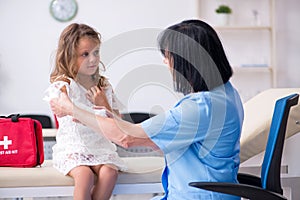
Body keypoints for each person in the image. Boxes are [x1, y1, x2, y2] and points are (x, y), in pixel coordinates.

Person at [50, 19, 244, 200]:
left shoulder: (201, 108)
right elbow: (151, 139)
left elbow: (127, 137)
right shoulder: (227, 93)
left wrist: (72, 109)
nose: (165, 62)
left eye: (168, 56)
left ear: (186, 62)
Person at [45, 23, 127, 200]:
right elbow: (61, 108)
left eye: (96, 53)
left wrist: (104, 104)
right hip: (73, 148)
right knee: (85, 176)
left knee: (110, 174)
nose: (93, 59)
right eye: (85, 54)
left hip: (101, 148)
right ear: (69, 57)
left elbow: (119, 123)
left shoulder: (103, 87)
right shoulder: (65, 86)